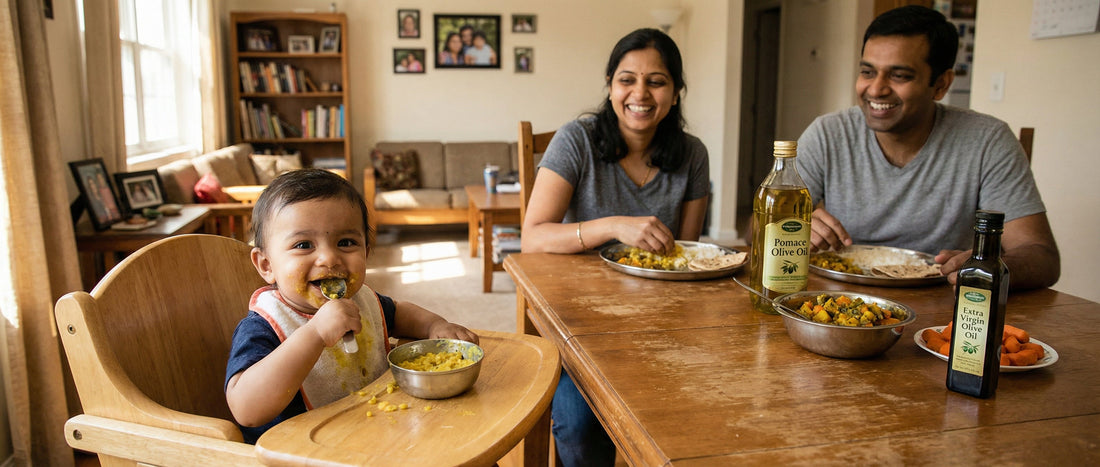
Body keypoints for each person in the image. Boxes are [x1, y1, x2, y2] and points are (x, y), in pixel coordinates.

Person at [521, 28, 709, 466]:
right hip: (579, 318)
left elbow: (690, 251)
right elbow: (533, 235)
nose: (640, 93)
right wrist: (611, 226)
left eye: (657, 81)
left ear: (676, 94)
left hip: (664, 320)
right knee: (580, 424)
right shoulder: (576, 140)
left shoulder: (693, 154)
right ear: (610, 87)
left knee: (700, 407)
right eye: (627, 79)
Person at [796, 5, 1059, 290]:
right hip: (835, 299)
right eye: (868, 71)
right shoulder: (827, 134)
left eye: (899, 76)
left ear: (941, 84)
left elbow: (1040, 255)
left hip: (944, 306)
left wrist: (987, 267)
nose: (875, 89)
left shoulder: (987, 140)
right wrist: (787, 229)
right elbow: (755, 230)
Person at [224, 169, 478, 444]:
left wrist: (435, 324)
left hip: (371, 432)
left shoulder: (361, 302)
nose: (329, 258)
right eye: (303, 244)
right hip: (300, 451)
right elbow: (246, 410)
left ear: (367, 251)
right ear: (266, 265)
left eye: (346, 242)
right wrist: (316, 334)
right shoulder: (264, 324)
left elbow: (399, 312)